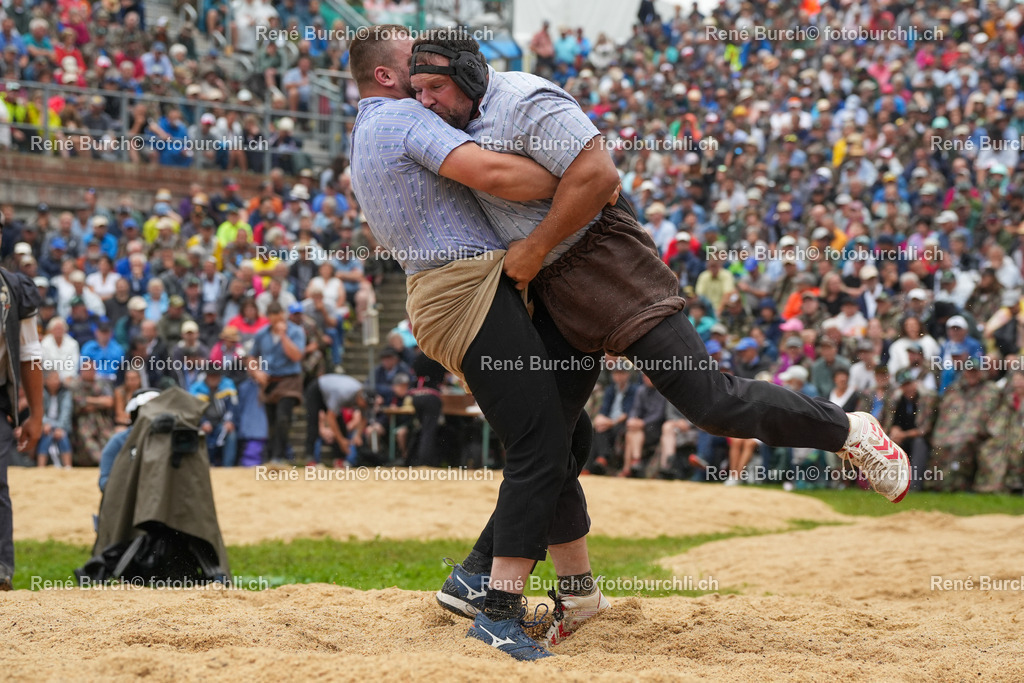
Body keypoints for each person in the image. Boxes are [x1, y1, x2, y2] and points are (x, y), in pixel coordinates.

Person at [405, 27, 912, 633]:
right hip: (551, 286)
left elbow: (598, 176)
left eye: (435, 87)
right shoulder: (450, 128)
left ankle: (850, 431)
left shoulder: (526, 100)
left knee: (712, 402)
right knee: (547, 441)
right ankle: (573, 594)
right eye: (419, 90)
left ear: (465, 75)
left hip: (608, 264)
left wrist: (535, 247)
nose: (428, 101)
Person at [349, 26, 606, 660]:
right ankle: (496, 610)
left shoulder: (371, 126)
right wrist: (581, 174)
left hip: (455, 290)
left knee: (565, 435)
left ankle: (516, 580)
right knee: (541, 442)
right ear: (388, 76)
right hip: (463, 290)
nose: (435, 68)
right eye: (419, 63)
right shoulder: (405, 115)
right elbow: (493, 172)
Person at [0, 209, 44, 589]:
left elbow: (30, 354)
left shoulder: (15, 288)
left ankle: (0, 571)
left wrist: (37, 416)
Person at [249, 301, 305, 463]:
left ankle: (278, 457)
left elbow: (296, 356)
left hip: (289, 380)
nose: (277, 322)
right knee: (272, 421)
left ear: (283, 316)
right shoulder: (261, 334)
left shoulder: (295, 332)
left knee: (283, 418)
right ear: (268, 318)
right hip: (268, 381)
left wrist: (283, 336)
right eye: (273, 319)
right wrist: (256, 371)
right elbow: (252, 356)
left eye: (279, 318)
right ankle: (274, 456)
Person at [303, 373, 367, 465]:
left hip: (331, 392)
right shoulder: (344, 394)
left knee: (341, 425)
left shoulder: (363, 395)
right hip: (317, 389)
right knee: (313, 423)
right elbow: (331, 417)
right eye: (364, 403)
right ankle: (310, 459)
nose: (365, 406)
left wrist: (358, 435)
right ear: (360, 398)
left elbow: (364, 417)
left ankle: (340, 459)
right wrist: (341, 441)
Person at [190, 366, 238, 467]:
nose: (214, 379)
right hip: (203, 424)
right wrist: (203, 422)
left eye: (216, 376)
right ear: (206, 376)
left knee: (231, 434)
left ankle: (228, 468)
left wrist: (229, 421)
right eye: (211, 376)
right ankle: (204, 466)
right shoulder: (196, 388)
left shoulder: (228, 385)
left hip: (222, 422)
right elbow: (194, 410)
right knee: (200, 435)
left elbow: (233, 406)